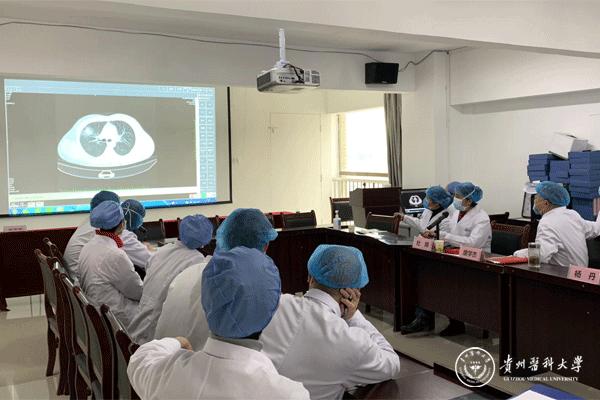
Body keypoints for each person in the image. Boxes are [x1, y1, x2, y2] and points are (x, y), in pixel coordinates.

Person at [128, 247, 310, 400]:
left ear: (206, 301)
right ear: (273, 307)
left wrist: (177, 341)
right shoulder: (289, 394)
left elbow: (141, 357)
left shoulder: (162, 377)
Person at [261, 244, 401, 400]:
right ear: (353, 292)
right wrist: (353, 317)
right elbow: (392, 363)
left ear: (310, 277)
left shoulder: (275, 305)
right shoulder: (351, 342)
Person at [154, 208, 278, 349]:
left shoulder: (185, 274)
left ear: (223, 237)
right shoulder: (255, 295)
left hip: (165, 355)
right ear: (265, 246)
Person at [418, 182, 491, 336]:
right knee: (432, 277)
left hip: (477, 262)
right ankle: (449, 320)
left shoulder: (481, 218)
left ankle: (457, 322)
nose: (454, 199)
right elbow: (451, 234)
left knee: (449, 282)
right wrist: (435, 235)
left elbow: (473, 243)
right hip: (456, 256)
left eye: (458, 196)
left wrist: (445, 236)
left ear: (469, 200)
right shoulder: (457, 212)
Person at [128, 215, 213, 342]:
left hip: (137, 325)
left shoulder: (162, 251)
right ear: (206, 239)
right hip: (156, 334)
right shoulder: (196, 260)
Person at [78, 201, 143, 327]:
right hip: (116, 318)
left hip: (96, 311)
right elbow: (137, 292)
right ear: (122, 224)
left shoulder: (88, 246)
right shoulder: (115, 255)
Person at [63, 191, 152, 280]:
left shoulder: (90, 222)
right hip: (84, 279)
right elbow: (148, 260)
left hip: (76, 276)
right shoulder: (115, 231)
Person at [514, 181, 599, 266]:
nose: (534, 201)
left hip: (563, 273)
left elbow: (541, 255)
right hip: (581, 272)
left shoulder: (547, 222)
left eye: (536, 198)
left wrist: (518, 254)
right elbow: (596, 229)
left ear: (546, 203)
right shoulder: (572, 214)